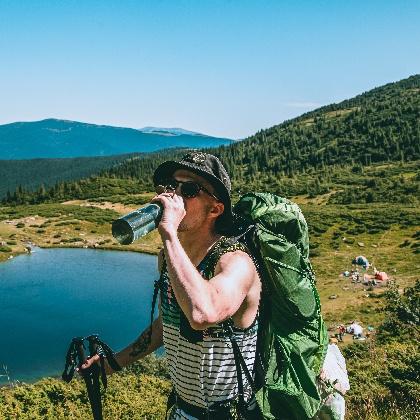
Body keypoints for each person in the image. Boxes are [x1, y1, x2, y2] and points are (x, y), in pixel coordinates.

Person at [81, 152, 262, 419]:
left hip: (228, 414)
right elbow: (169, 322)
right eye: (170, 186)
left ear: (215, 209)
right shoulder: (169, 258)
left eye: (188, 189)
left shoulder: (236, 263)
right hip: (181, 409)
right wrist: (113, 363)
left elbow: (202, 314)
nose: (173, 197)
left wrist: (168, 232)